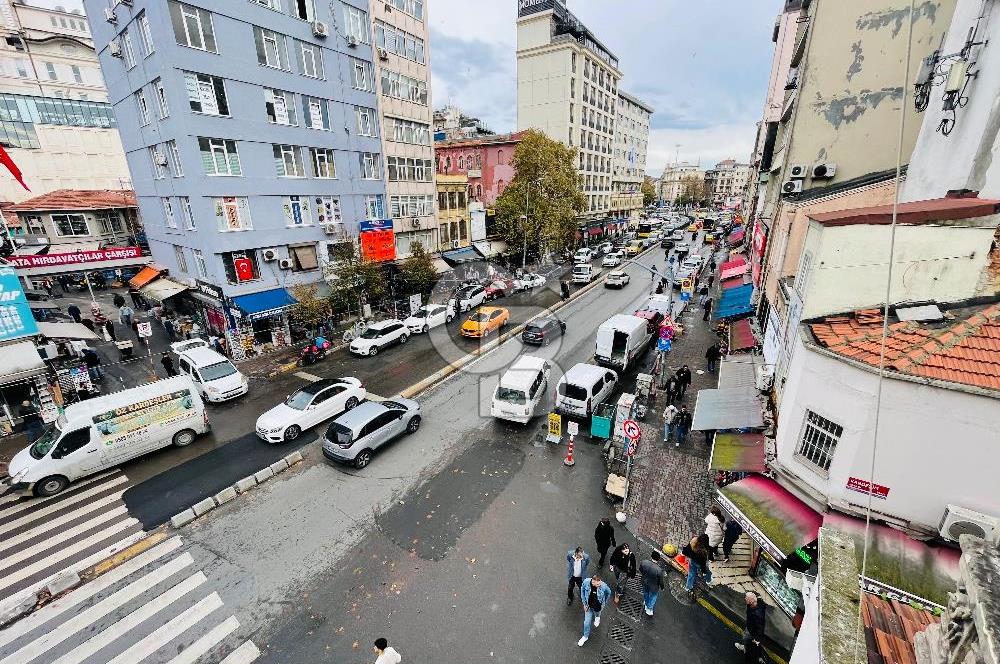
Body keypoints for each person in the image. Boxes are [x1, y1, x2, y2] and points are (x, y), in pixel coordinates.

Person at [578, 573, 612, 646]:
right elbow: (582, 591)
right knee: (586, 622)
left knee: (597, 613)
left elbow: (609, 592)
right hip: (589, 606)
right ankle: (585, 636)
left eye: (599, 584)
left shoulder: (603, 586)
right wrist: (584, 604)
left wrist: (604, 602)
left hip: (598, 606)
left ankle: (597, 618)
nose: (598, 585)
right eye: (596, 584)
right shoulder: (586, 582)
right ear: (592, 581)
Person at [735, 591, 767, 663]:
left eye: (747, 598)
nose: (745, 598)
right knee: (756, 645)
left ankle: (746, 650)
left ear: (751, 600)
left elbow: (760, 627)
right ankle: (759, 657)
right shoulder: (758, 604)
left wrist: (757, 638)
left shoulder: (757, 614)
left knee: (746, 639)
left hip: (752, 631)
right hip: (751, 628)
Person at [638, 550, 665, 616]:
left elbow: (640, 570)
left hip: (644, 581)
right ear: (658, 559)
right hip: (654, 586)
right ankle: (649, 608)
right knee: (653, 596)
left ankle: (646, 602)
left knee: (646, 592)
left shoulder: (644, 562)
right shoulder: (659, 570)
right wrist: (662, 587)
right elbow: (660, 581)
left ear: (651, 556)